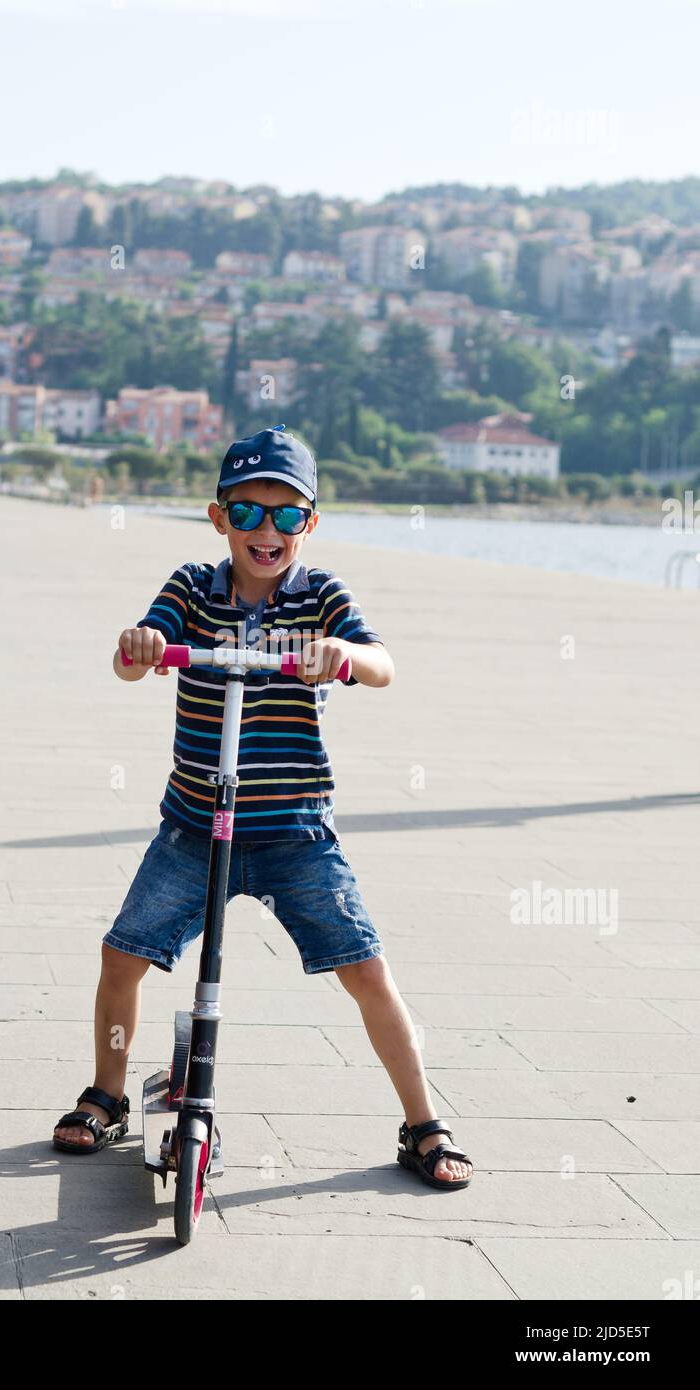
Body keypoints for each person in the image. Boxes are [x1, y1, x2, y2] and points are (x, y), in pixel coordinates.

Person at [52, 425, 474, 1191]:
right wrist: (140, 643)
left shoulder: (320, 596)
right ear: (220, 520)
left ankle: (422, 1122)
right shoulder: (190, 586)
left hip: (294, 831)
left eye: (285, 516)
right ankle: (106, 1094)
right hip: (193, 826)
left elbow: (382, 664)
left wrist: (341, 656)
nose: (266, 531)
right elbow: (132, 657)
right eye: (246, 514)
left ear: (308, 523)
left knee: (366, 971)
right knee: (123, 955)